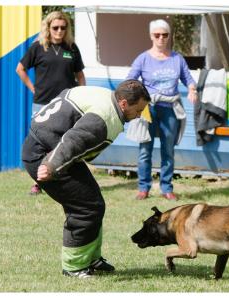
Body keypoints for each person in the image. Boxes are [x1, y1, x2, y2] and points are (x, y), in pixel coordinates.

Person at [21, 80, 151, 278]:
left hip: (48, 146)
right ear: (123, 103)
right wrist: (50, 165)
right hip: (47, 155)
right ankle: (74, 267)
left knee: (94, 204)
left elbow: (66, 92)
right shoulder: (104, 118)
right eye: (138, 110)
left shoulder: (104, 95)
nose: (139, 115)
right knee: (86, 208)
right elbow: (74, 140)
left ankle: (91, 258)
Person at [126, 19, 197, 201]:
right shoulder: (143, 58)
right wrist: (134, 96)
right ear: (151, 36)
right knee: (145, 150)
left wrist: (192, 90)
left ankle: (166, 188)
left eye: (164, 35)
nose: (161, 38)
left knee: (168, 150)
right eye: (157, 35)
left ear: (169, 36)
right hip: (148, 109)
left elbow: (188, 78)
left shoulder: (176, 59)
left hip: (170, 108)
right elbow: (130, 79)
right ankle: (143, 188)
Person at [16, 10, 85, 195]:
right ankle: (38, 182)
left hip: (67, 105)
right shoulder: (38, 47)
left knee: (65, 141)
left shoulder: (71, 48)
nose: (59, 31)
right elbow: (20, 69)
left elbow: (80, 75)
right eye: (55, 27)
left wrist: (81, 94)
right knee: (40, 144)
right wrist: (33, 89)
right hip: (43, 104)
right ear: (48, 27)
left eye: (63, 27)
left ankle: (63, 178)